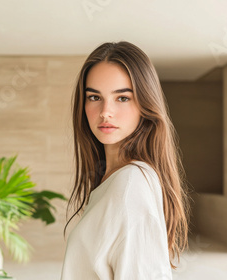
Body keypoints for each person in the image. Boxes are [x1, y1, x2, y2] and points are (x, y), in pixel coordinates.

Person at [60, 41, 191, 280]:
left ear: (144, 104)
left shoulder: (130, 184)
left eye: (122, 98)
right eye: (94, 97)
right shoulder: (114, 180)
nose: (105, 111)